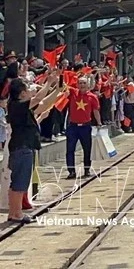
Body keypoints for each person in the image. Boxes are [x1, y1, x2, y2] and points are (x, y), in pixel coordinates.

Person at [5, 72, 59, 223]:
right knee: (19, 182)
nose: (30, 90)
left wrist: (57, 91)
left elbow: (43, 104)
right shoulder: (17, 105)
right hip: (22, 147)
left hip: (22, 146)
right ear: (22, 93)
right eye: (28, 88)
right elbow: (38, 99)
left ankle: (14, 212)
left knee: (18, 181)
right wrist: (48, 83)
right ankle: (16, 213)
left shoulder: (21, 107)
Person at [65, 77, 102, 180]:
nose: (82, 85)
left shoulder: (92, 97)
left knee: (87, 149)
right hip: (73, 126)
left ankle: (87, 169)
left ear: (88, 84)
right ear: (77, 84)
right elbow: (63, 85)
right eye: (80, 83)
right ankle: (71, 171)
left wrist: (99, 123)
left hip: (85, 126)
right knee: (70, 150)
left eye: (84, 83)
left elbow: (95, 111)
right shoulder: (73, 93)